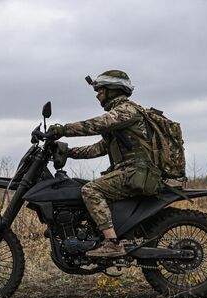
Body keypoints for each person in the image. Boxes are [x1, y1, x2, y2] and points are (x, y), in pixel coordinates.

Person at [47, 70, 162, 258]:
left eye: (100, 90)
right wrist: (67, 152)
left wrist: (63, 129)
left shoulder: (126, 111)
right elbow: (97, 149)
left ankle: (112, 243)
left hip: (135, 173)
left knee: (90, 190)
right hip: (131, 172)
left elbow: (96, 124)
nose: (98, 95)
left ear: (113, 90)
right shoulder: (119, 121)